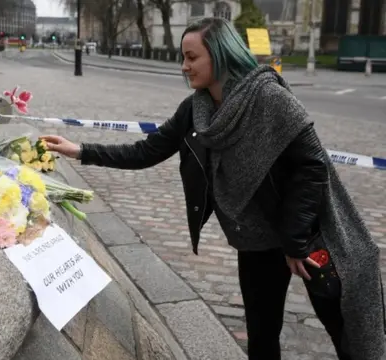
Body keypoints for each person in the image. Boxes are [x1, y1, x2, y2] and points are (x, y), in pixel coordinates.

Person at [41, 17, 385, 360]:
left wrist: (294, 240)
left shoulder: (269, 97)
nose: (184, 67)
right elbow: (147, 151)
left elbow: (312, 166)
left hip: (308, 237)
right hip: (254, 242)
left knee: (346, 331)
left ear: (220, 55)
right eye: (183, 57)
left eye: (192, 57)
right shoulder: (195, 110)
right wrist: (81, 150)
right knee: (262, 337)